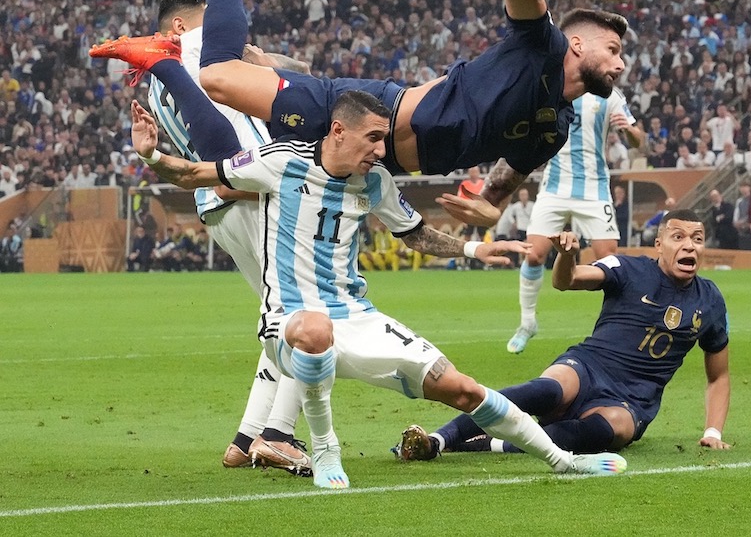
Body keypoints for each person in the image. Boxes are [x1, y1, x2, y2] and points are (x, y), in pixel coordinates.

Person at [129, 90, 628, 489]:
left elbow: (413, 233)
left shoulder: (375, 183)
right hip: (289, 320)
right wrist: (152, 154)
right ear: (338, 131)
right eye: (372, 139)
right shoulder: (279, 162)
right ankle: (324, 448)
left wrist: (475, 251)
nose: (380, 150)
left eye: (383, 141)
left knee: (464, 388)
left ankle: (562, 461)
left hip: (359, 316)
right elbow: (195, 173)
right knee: (316, 328)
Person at [110, 0, 651, 227]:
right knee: (216, 76)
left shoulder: (556, 126)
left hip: (369, 157)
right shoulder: (540, 43)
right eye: (613, 49)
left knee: (231, 181)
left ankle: (165, 62)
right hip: (368, 112)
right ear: (577, 45)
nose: (621, 65)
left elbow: (501, 186)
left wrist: (488, 210)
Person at [93, 0, 311, 475]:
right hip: (251, 194)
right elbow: (304, 77)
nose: (228, 28)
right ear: (181, 29)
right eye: (213, 19)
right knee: (311, 317)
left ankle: (247, 437)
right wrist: (264, 61)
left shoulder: (158, 83)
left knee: (282, 317)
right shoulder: (202, 56)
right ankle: (279, 434)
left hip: (216, 203)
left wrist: (260, 59)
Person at [394, 210, 731, 462]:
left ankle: (491, 443)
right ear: (659, 244)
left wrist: (712, 432)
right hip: (587, 367)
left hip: (631, 400)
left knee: (609, 430)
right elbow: (565, 281)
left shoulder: (710, 300)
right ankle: (439, 439)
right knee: (546, 390)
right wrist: (567, 256)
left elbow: (719, 376)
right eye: (678, 237)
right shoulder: (628, 269)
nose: (689, 246)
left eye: (697, 239)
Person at [507, 88, 642, 353]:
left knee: (609, 260)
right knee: (533, 255)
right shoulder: (556, 87)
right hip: (555, 187)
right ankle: (527, 323)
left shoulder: (609, 95)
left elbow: (638, 141)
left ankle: (616, 329)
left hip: (594, 189)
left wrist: (628, 129)